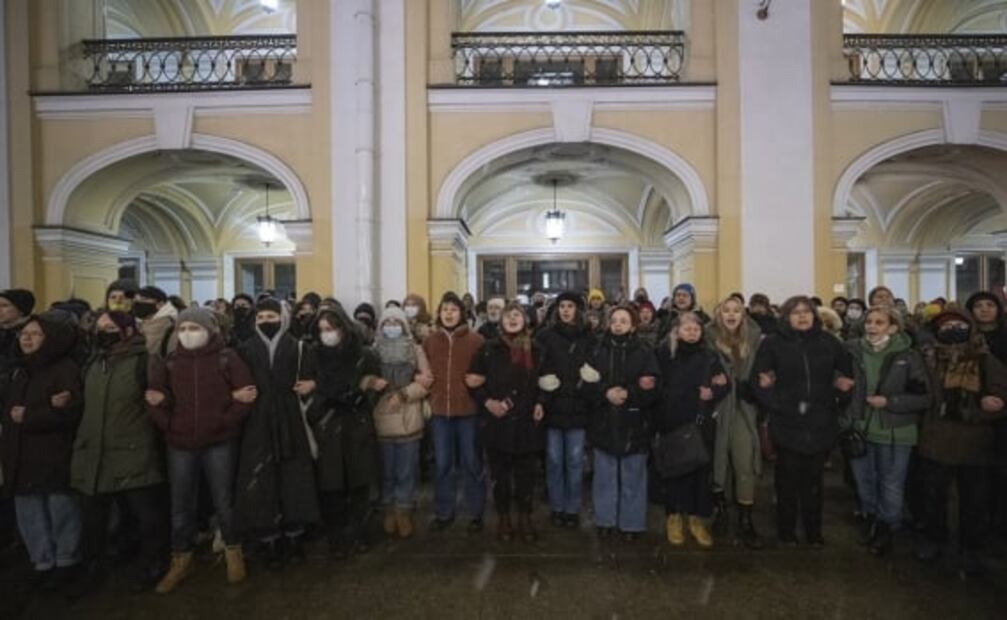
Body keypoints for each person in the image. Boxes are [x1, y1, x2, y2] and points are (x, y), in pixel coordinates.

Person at [146, 307, 256, 593]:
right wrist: (169, 425)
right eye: (182, 329)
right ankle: (181, 559)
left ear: (210, 330)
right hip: (180, 443)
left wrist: (224, 422)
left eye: (194, 328)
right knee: (181, 505)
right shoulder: (170, 362)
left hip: (219, 441)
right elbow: (155, 398)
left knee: (224, 501)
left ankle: (233, 551)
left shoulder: (227, 358)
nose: (187, 334)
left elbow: (246, 395)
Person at [71, 311, 168, 591]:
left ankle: (152, 563)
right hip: (95, 453)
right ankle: (95, 566)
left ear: (127, 331)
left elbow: (163, 399)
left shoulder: (145, 362)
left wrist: (162, 400)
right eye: (100, 327)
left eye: (110, 327)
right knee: (94, 519)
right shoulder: (93, 362)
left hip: (134, 451)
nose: (103, 331)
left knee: (146, 516)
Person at [752, 295, 854, 548]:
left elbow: (846, 375)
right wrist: (775, 404)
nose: (802, 316)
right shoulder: (773, 344)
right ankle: (786, 531)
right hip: (787, 422)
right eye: (795, 312)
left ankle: (814, 530)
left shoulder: (830, 342)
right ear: (786, 317)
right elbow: (759, 379)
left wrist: (841, 393)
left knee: (814, 481)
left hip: (820, 420)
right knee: (786, 480)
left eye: (806, 311)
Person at [915, 308, 1007, 575]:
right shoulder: (927, 359)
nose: (954, 328)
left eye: (959, 324)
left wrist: (990, 406)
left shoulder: (986, 360)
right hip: (936, 437)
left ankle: (971, 548)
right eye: (947, 324)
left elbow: (1002, 393)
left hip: (974, 441)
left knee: (974, 500)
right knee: (932, 495)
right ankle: (934, 539)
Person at [234, 298, 321, 569]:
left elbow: (313, 377)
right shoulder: (245, 349)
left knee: (294, 477)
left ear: (282, 318)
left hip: (291, 418)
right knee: (262, 479)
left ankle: (295, 536)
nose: (266, 321)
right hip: (258, 422)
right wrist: (235, 393)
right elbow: (235, 380)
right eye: (261, 318)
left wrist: (313, 384)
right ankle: (268, 537)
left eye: (271, 316)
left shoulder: (298, 347)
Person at [1, 314, 83, 590]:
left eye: (35, 334)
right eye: (24, 333)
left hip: (52, 453)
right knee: (29, 512)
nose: (26, 337)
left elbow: (71, 412)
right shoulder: (20, 370)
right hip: (21, 454)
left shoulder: (64, 368)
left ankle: (66, 560)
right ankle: (42, 560)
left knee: (60, 509)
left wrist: (33, 415)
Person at [844, 306, 930, 556]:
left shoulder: (908, 356)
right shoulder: (853, 351)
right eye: (869, 321)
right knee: (864, 480)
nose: (872, 326)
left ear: (892, 327)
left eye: (879, 322)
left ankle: (887, 527)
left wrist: (890, 402)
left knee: (891, 483)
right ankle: (873, 518)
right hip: (860, 428)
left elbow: (923, 396)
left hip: (895, 430)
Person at [466, 302, 545, 543]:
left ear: (525, 320)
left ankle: (525, 517)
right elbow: (474, 382)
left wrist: (542, 402)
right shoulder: (488, 348)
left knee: (525, 476)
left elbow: (547, 380)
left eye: (517, 315)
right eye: (508, 315)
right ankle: (503, 518)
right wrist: (488, 402)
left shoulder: (537, 349)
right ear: (501, 321)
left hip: (526, 422)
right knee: (499, 475)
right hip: (497, 421)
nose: (512, 319)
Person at [309, 305, 382, 558]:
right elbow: (313, 391)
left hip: (357, 424)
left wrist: (360, 390)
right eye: (322, 330)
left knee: (359, 483)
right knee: (331, 486)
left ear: (343, 328)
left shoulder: (364, 355)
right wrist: (333, 391)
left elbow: (374, 388)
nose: (327, 334)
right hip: (328, 426)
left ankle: (361, 533)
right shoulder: (313, 355)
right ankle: (336, 538)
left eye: (331, 328)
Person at [581, 305, 659, 541]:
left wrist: (629, 393)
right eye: (614, 320)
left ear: (633, 325)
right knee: (604, 475)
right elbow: (585, 384)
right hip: (603, 420)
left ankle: (632, 524)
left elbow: (653, 386)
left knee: (633, 475)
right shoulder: (596, 350)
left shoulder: (645, 352)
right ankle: (605, 520)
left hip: (634, 421)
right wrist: (605, 393)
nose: (618, 324)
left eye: (624, 321)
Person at [654, 312, 728, 548]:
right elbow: (655, 383)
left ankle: (696, 519)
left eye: (696, 328)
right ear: (676, 331)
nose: (692, 332)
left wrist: (714, 393)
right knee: (675, 471)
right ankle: (673, 517)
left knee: (700, 472)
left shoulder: (710, 355)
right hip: (672, 420)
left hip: (700, 422)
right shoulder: (664, 353)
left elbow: (724, 383)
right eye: (687, 328)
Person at [423, 292, 486, 533]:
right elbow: (421, 370)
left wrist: (481, 380)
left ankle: (476, 512)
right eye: (445, 309)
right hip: (440, 412)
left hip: (468, 410)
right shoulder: (430, 341)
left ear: (462, 313)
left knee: (471, 462)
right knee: (443, 464)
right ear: (439, 313)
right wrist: (419, 378)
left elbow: (485, 371)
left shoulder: (476, 340)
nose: (449, 314)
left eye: (454, 309)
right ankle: (444, 511)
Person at [707, 296, 766, 549]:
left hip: (744, 407)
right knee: (717, 459)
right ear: (718, 315)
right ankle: (720, 509)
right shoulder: (706, 339)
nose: (731, 315)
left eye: (736, 311)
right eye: (726, 311)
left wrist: (757, 386)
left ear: (744, 315)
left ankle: (745, 518)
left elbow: (766, 370)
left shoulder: (755, 340)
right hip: (717, 408)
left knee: (744, 460)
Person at [536, 291, 595, 529]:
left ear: (578, 310)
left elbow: (595, 366)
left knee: (573, 461)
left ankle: (572, 508)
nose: (566, 310)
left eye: (570, 306)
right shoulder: (545, 336)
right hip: (553, 406)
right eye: (562, 306)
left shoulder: (588, 337)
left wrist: (589, 381)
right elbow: (538, 366)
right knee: (553, 460)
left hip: (578, 407)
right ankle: (557, 507)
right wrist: (542, 384)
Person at [372, 307, 432, 538]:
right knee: (386, 470)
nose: (392, 326)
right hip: (382, 415)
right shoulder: (373, 351)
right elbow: (362, 378)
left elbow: (426, 380)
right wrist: (371, 381)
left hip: (408, 416)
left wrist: (405, 393)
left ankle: (404, 510)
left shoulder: (415, 350)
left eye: (397, 322)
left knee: (406, 470)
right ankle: (388, 509)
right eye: (388, 322)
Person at [132, 286, 177, 358]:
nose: (138, 303)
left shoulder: (165, 325)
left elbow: (150, 351)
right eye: (136, 300)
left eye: (144, 299)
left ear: (160, 304)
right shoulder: (138, 323)